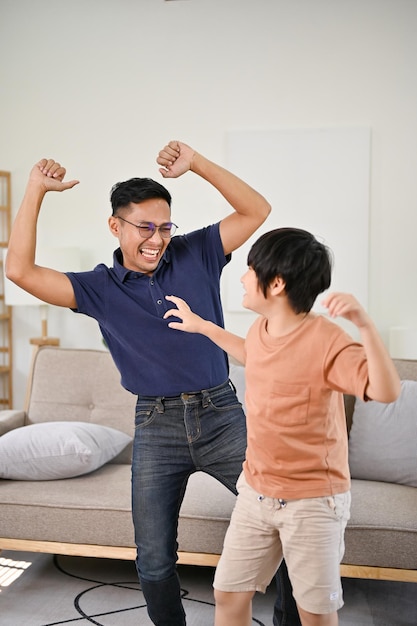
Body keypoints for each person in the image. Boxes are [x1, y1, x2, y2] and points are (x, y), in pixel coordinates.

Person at [5, 142, 302, 626]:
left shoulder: (197, 252)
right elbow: (19, 270)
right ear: (115, 226)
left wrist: (198, 164)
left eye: (165, 226)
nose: (157, 238)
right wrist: (36, 188)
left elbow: (257, 210)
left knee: (289, 526)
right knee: (155, 556)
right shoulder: (97, 289)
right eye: (145, 227)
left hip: (222, 416)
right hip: (156, 424)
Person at [163, 227, 401, 626]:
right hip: (256, 492)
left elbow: (386, 390)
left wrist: (364, 324)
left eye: (250, 268)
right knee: (228, 593)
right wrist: (203, 326)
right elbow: (251, 355)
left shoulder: (327, 340)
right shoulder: (261, 329)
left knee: (315, 615)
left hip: (313, 501)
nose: (241, 276)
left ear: (275, 283)